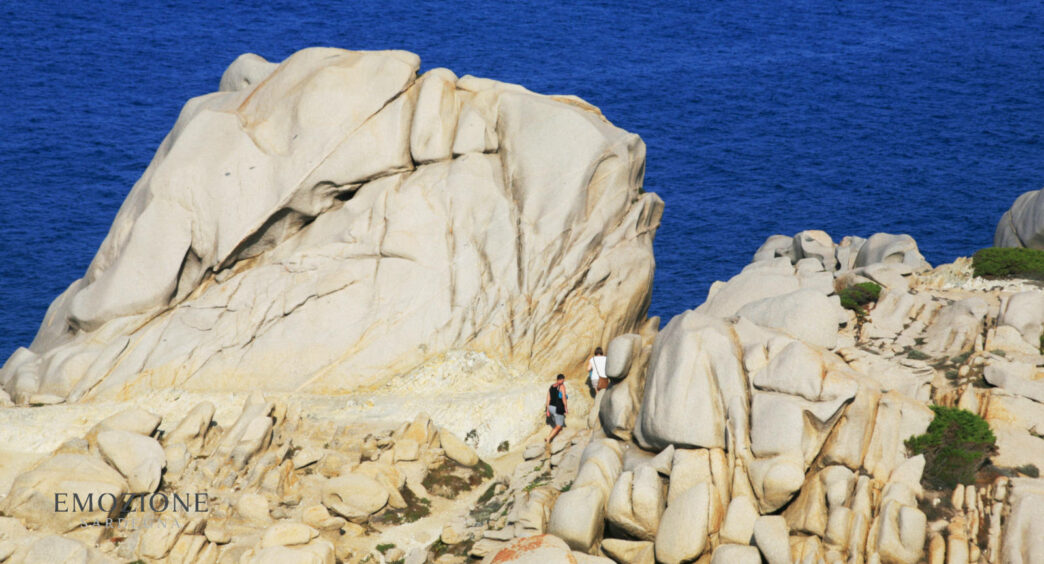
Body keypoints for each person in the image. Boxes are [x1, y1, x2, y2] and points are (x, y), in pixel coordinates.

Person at [545, 374, 568, 445]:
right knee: (559, 426)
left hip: (551, 408)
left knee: (557, 425)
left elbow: (548, 399)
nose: (563, 382)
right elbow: (564, 397)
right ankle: (548, 438)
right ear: (560, 379)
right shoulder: (562, 386)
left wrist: (547, 410)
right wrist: (566, 407)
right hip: (558, 408)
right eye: (562, 380)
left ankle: (554, 437)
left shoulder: (551, 387)